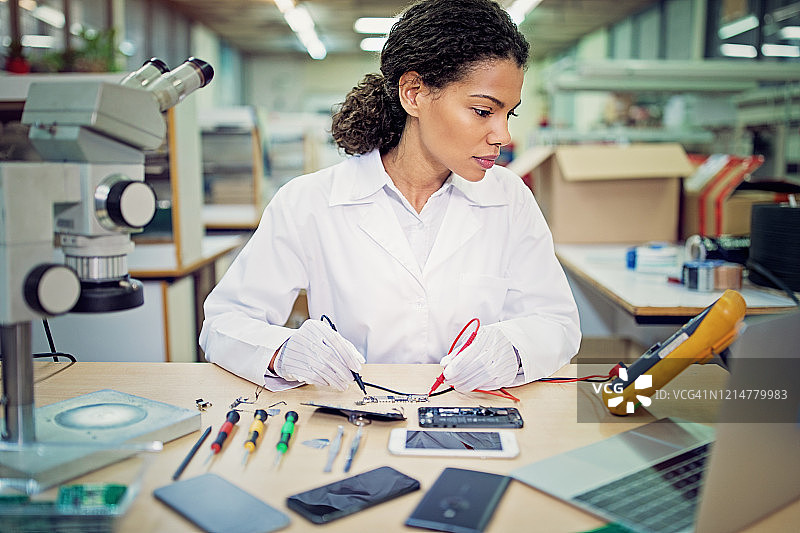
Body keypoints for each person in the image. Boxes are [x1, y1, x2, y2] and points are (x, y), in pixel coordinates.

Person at [200, 0, 581, 393]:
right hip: (355, 415)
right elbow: (223, 323)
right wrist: (283, 351)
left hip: (469, 416)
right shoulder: (309, 202)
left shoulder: (509, 198)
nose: (503, 136)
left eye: (509, 115)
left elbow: (557, 322)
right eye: (484, 111)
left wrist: (513, 348)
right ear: (413, 93)